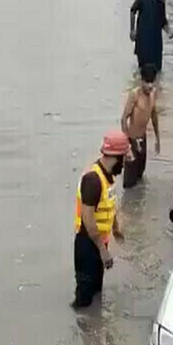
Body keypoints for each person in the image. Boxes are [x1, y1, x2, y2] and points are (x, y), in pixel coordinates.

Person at [71, 130, 131, 308]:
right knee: (84, 300)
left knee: (97, 293)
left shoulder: (108, 177)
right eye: (124, 159)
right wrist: (102, 251)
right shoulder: (93, 181)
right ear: (116, 157)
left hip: (99, 243)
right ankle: (81, 331)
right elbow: (88, 220)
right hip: (87, 244)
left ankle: (93, 330)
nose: (125, 164)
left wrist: (115, 228)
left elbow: (108, 205)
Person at [120, 64, 160, 189]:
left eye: (152, 82)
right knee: (129, 182)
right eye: (147, 82)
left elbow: (154, 116)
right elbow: (123, 119)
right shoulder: (134, 95)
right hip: (132, 141)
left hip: (143, 140)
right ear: (141, 81)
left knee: (140, 175)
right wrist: (127, 146)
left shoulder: (153, 94)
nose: (150, 86)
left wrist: (158, 139)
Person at [130, 0, 173, 73]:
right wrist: (169, 32)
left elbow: (132, 10)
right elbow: (163, 22)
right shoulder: (160, 3)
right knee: (157, 71)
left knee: (141, 69)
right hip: (155, 45)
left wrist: (132, 30)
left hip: (142, 42)